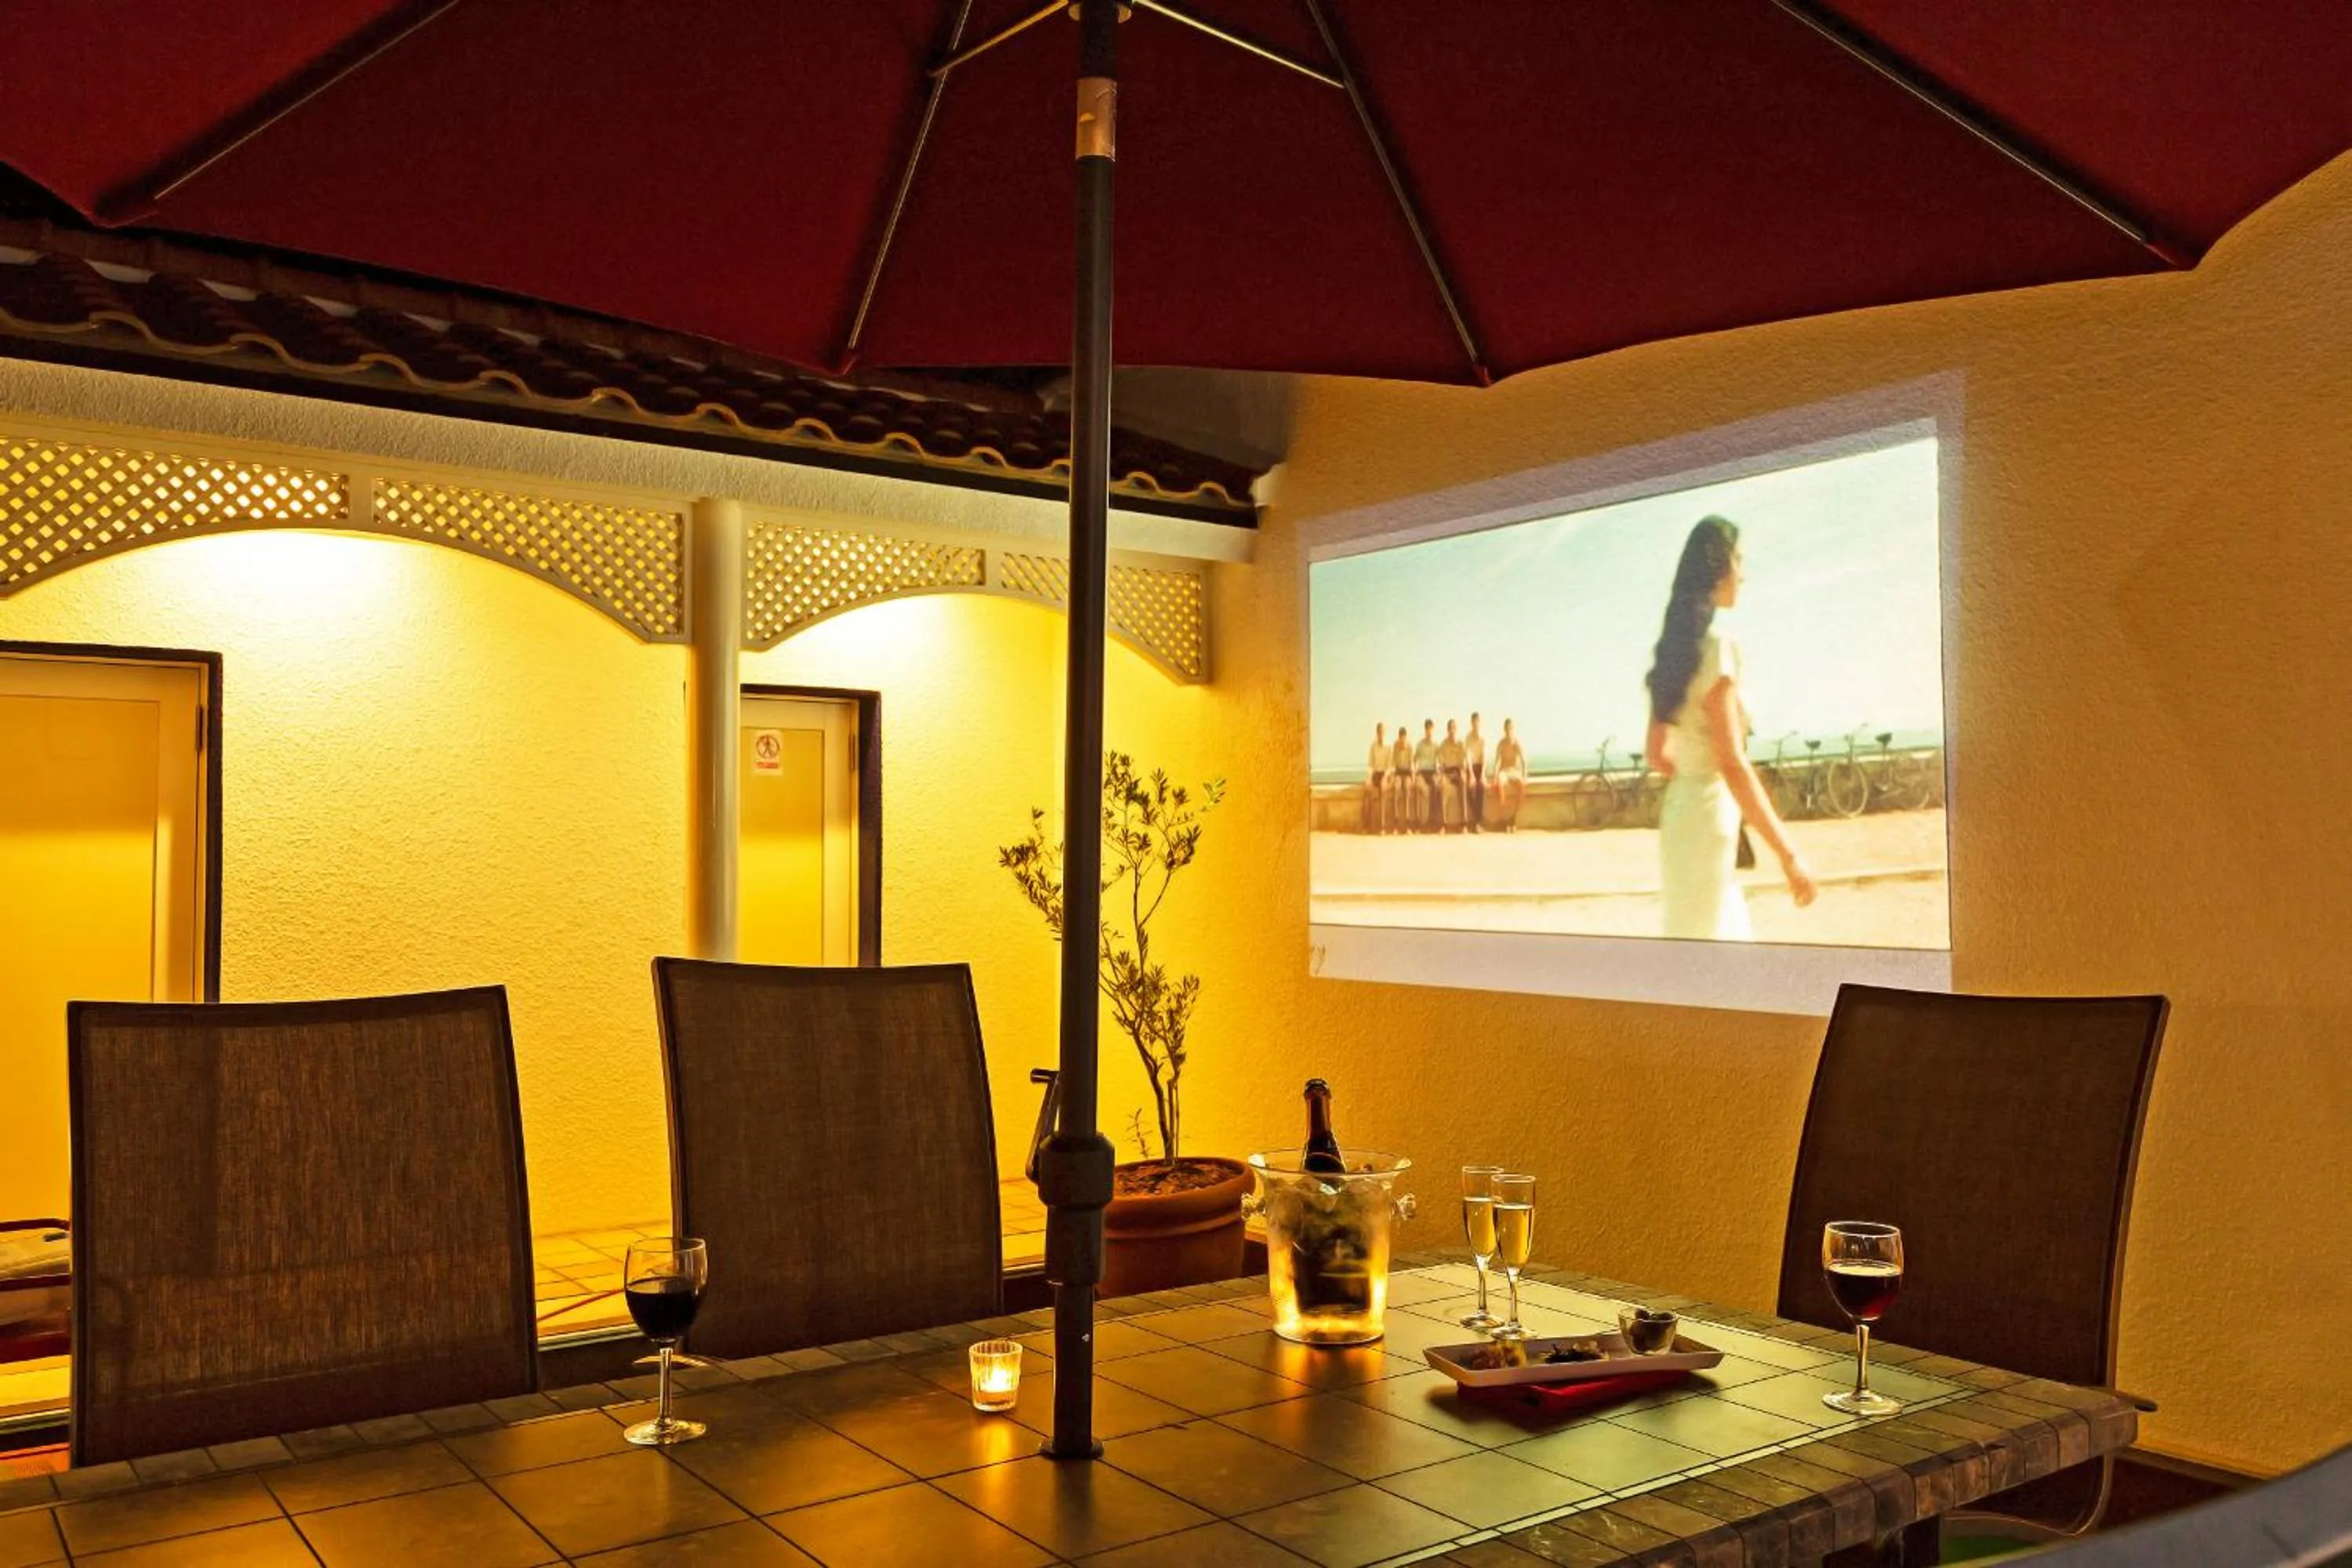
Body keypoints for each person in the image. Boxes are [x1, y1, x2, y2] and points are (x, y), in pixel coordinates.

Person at [1644, 517, 1817, 939]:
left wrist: (1692, 769)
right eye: (1739, 560)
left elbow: (1656, 755)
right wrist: (1789, 856)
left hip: (1680, 813)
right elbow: (1732, 762)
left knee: (1688, 934)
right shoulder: (1718, 650)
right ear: (1719, 568)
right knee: (1714, 944)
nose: (1743, 573)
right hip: (1710, 816)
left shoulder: (1672, 654)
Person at [1494, 718, 1526, 831]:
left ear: (1513, 729)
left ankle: (1513, 818)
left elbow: (1523, 761)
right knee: (1500, 786)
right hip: (1504, 771)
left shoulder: (1517, 743)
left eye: (1511, 728)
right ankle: (1507, 817)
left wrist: (1524, 775)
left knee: (1522, 787)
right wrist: (1495, 776)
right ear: (1504, 730)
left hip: (1515, 771)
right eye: (1507, 729)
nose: (1509, 731)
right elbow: (1497, 762)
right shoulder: (1501, 744)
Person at [1438, 720, 1468, 833]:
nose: (1452, 731)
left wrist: (1463, 772)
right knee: (1442, 786)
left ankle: (1464, 824)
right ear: (1447, 730)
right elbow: (1440, 762)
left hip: (1458, 771)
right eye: (1450, 728)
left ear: (1456, 730)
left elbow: (1464, 761)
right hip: (1447, 773)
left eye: (1454, 728)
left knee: (1463, 782)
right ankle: (1444, 824)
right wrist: (1441, 775)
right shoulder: (1443, 745)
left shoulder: (1461, 744)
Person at [1413, 720, 1442, 832]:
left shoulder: (1436, 745)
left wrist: (1439, 774)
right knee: (1421, 789)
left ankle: (1434, 821)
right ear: (1425, 730)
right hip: (1421, 772)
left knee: (1437, 787)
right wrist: (1414, 774)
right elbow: (1414, 761)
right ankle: (1419, 823)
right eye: (1428, 730)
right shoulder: (1420, 745)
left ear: (1433, 730)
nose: (1429, 732)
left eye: (1431, 729)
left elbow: (1440, 761)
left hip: (1432, 772)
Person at [1388, 722, 1414, 834]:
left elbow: (1412, 764)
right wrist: (1392, 776)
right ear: (1399, 738)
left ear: (1406, 737)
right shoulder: (1395, 746)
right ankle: (1396, 821)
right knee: (1396, 788)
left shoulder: (1410, 747)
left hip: (1407, 773)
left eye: (1404, 738)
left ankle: (1408, 823)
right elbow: (1393, 763)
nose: (1402, 741)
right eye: (1401, 738)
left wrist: (1413, 778)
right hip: (1398, 772)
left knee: (1408, 788)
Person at [1465, 712, 1488, 832]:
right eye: (1474, 723)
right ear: (1471, 723)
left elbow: (1484, 757)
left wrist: (1483, 775)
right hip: (1471, 767)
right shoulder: (1468, 738)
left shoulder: (1483, 738)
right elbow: (1468, 758)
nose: (1476, 725)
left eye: (1477, 723)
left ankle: (1478, 822)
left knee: (1481, 787)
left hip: (1480, 767)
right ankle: (1475, 819)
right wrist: (1471, 775)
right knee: (1468, 787)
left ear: (1480, 723)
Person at [1363, 723, 1388, 834]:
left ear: (1385, 733)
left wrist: (1385, 778)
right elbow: (1370, 765)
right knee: (1366, 791)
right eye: (1379, 732)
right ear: (1377, 733)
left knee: (1383, 793)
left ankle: (1382, 827)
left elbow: (1390, 767)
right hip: (1375, 774)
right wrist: (1368, 778)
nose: (1381, 734)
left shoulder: (1388, 747)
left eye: (1382, 732)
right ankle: (1366, 826)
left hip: (1385, 774)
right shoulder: (1373, 746)